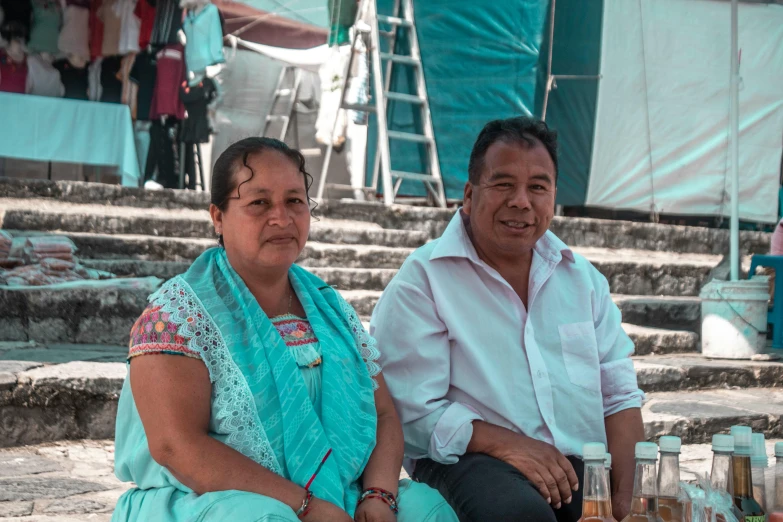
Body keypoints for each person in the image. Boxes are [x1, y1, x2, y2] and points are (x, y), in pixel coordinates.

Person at [111, 137, 458, 522]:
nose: (281, 217)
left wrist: (378, 495)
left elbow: (384, 414)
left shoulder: (328, 308)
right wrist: (306, 506)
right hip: (209, 498)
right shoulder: (177, 316)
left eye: (294, 201)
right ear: (218, 217)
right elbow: (177, 448)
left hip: (337, 493)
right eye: (259, 202)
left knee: (428, 511)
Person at [370, 116, 646, 522]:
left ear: (553, 198)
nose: (521, 201)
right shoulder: (424, 278)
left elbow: (619, 395)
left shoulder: (582, 279)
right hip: (465, 457)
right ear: (468, 194)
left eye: (537, 187)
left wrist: (628, 500)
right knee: (519, 515)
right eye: (502, 184)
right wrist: (506, 444)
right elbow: (410, 411)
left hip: (576, 462)